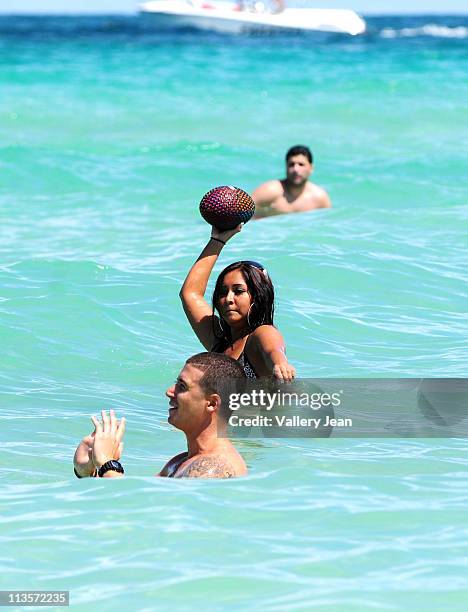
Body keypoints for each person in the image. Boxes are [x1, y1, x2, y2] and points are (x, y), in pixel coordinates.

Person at [73, 352, 248, 479]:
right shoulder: (181, 462)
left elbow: (135, 514)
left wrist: (107, 462)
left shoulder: (213, 468)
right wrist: (88, 470)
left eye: (182, 386)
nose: (169, 392)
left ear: (211, 403)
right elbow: (138, 502)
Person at [179, 225, 295, 381]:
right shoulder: (219, 341)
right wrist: (218, 239)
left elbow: (273, 348)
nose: (228, 299)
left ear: (257, 296)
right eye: (222, 292)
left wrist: (280, 363)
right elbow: (190, 294)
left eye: (238, 291)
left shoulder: (259, 334)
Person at [252, 145, 331, 219]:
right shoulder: (271, 190)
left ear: (311, 168)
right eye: (291, 164)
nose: (296, 169)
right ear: (286, 167)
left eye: (301, 164)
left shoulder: (320, 198)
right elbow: (243, 209)